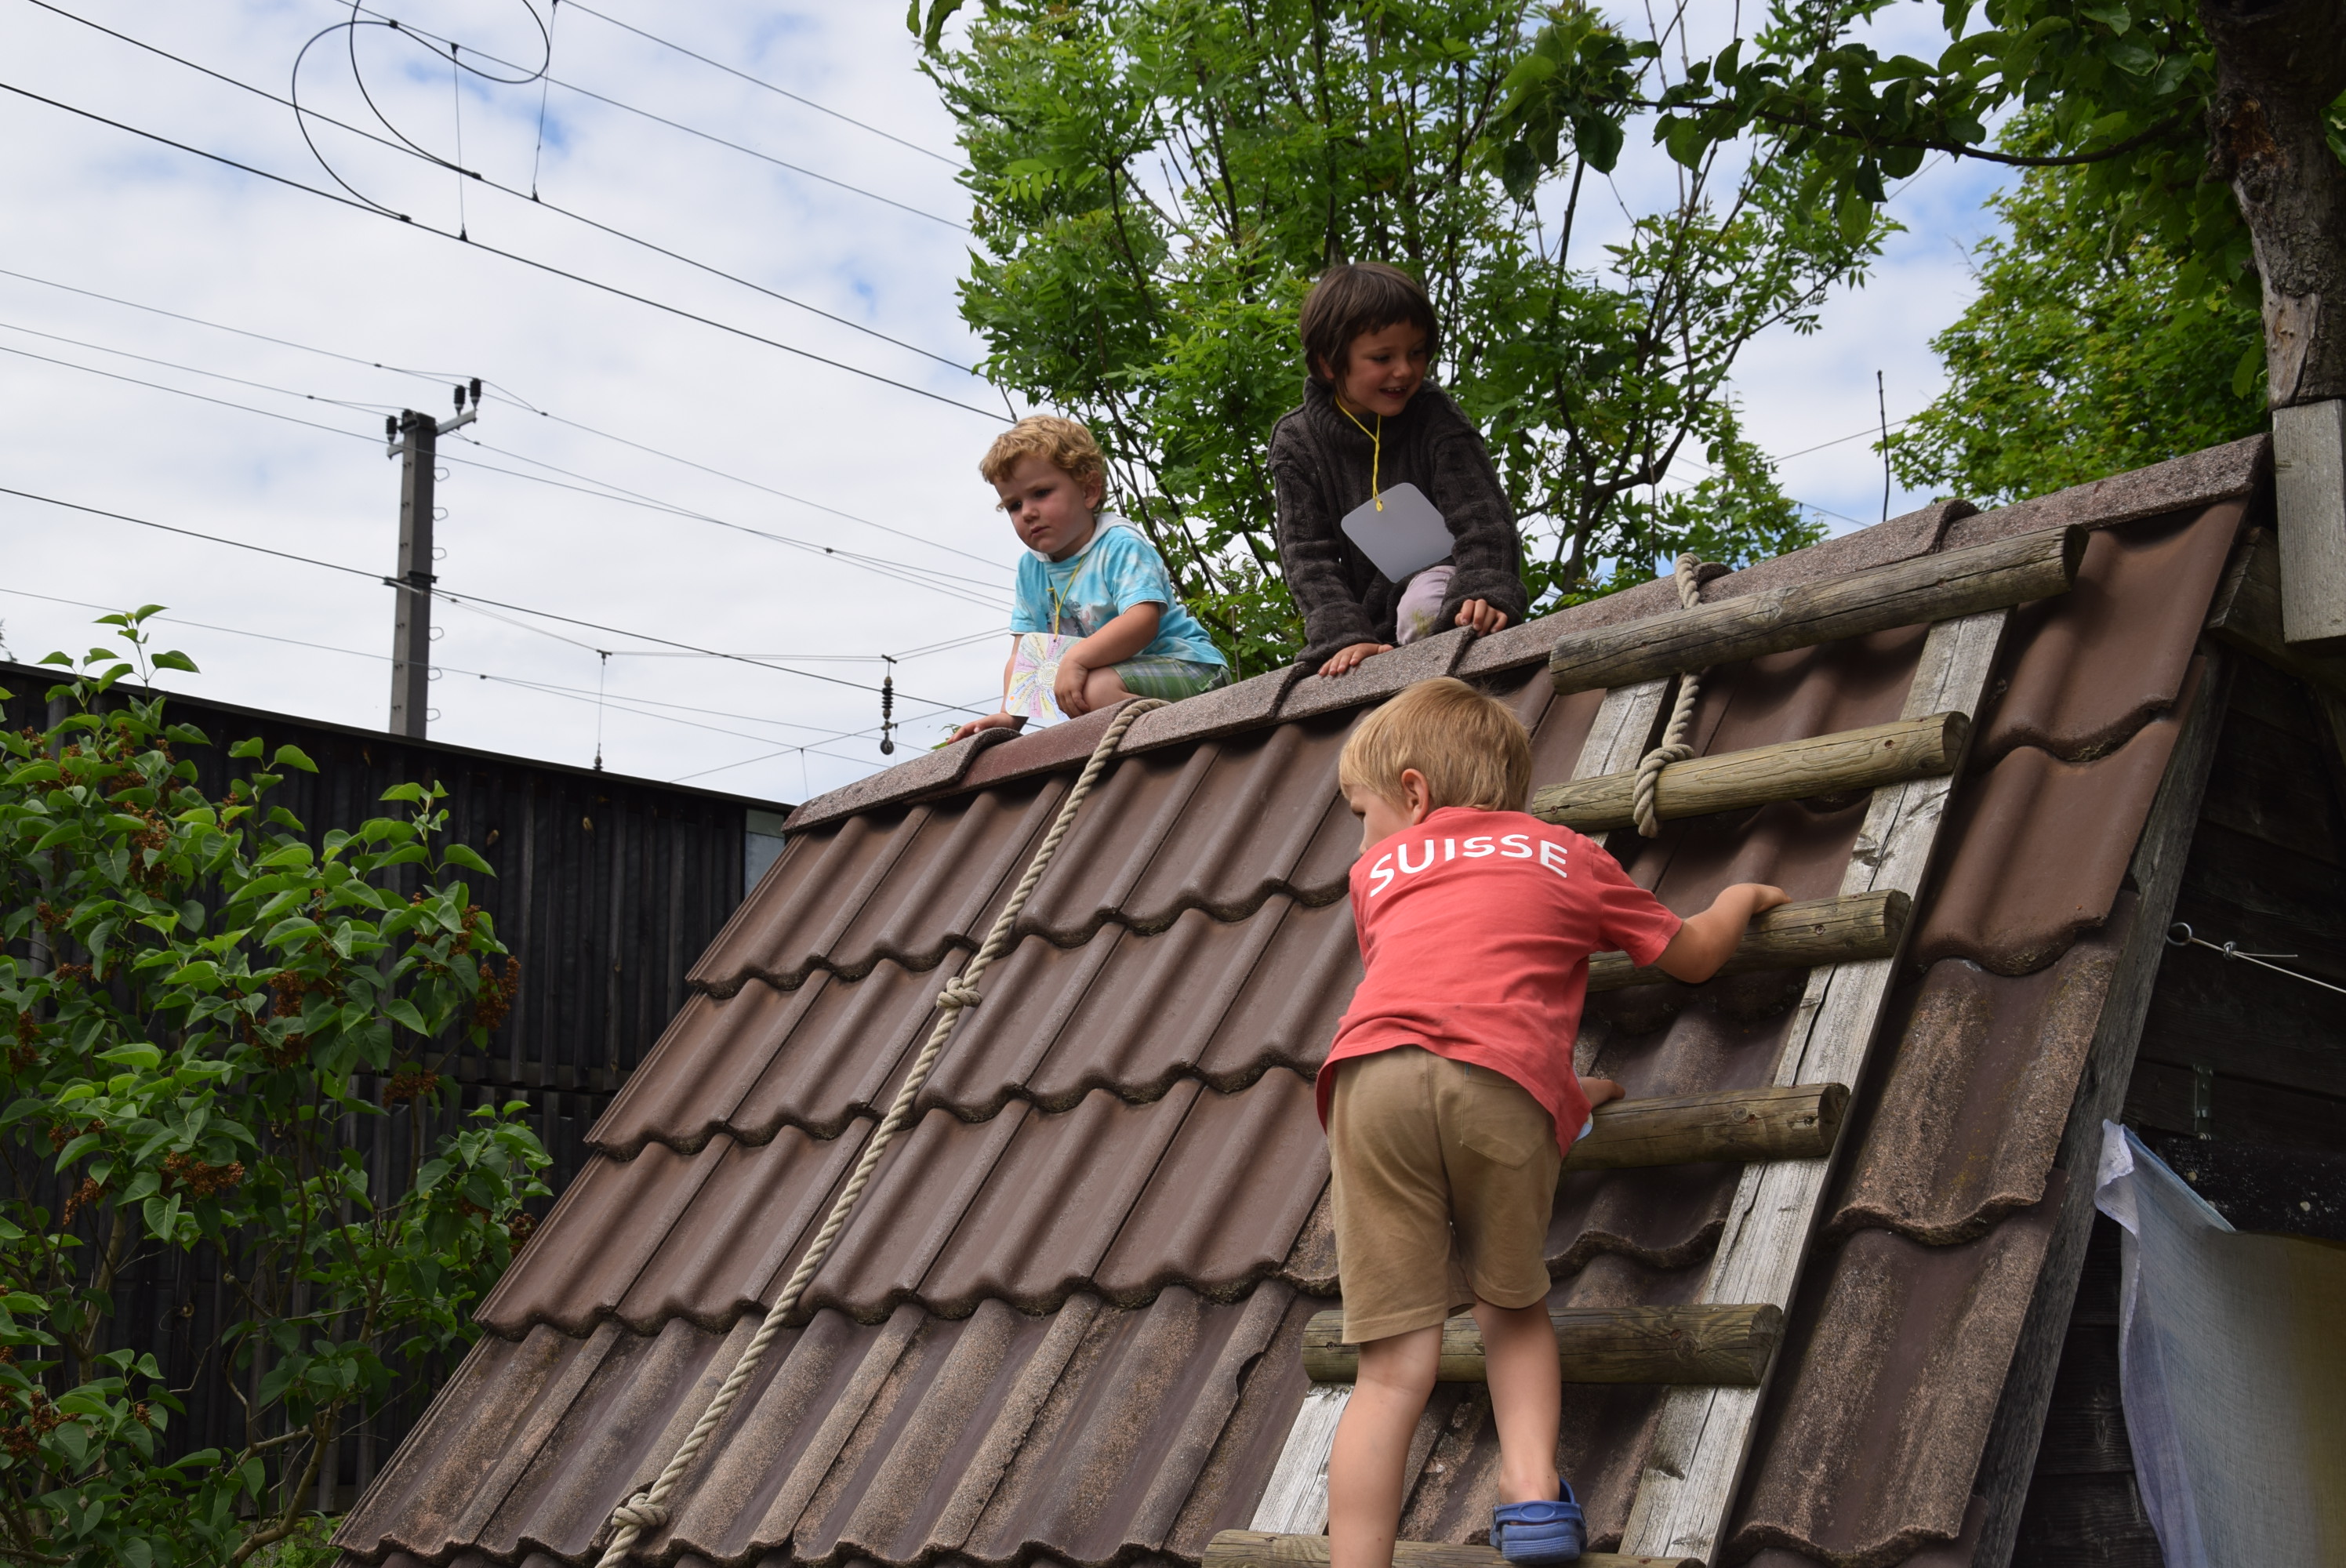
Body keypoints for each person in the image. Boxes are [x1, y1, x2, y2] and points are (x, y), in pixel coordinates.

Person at [1320, 678, 1789, 1568]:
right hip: (1504, 1086)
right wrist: (1737, 901)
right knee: (1512, 1306)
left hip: (1366, 1079)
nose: (1362, 836)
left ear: (1414, 794)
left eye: (1361, 812)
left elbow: (1437, 1007)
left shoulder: (1376, 873)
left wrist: (1560, 1093)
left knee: (1388, 1371)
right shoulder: (1567, 854)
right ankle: (1533, 1493)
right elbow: (1689, 958)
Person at [1271, 263, 1529, 680]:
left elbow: (1482, 517)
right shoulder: (1297, 443)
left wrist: (1485, 592)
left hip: (1450, 596)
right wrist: (1344, 636)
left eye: (1416, 352)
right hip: (1370, 622)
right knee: (1343, 677)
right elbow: (1308, 557)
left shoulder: (1435, 416)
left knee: (1423, 605)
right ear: (1329, 363)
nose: (1405, 370)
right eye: (1382, 357)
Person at [950, 416, 1229, 743]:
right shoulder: (1031, 568)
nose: (1027, 512)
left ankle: (1185, 743)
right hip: (1120, 678)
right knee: (1080, 691)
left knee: (1091, 688)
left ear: (1089, 490)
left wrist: (1076, 659)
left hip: (1190, 668)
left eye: (1041, 493)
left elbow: (1143, 620)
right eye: (1014, 505)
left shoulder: (1118, 544)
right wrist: (1010, 715)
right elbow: (1026, 653)